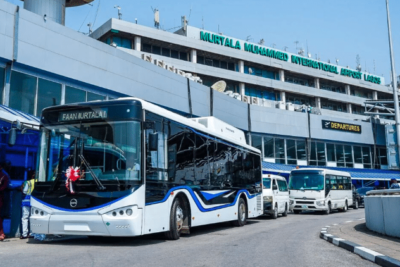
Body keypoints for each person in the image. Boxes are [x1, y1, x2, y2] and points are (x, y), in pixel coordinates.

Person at [20, 172, 36, 239]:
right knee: (33, 217)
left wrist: (21, 188)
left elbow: (24, 191)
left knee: (25, 218)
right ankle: (32, 233)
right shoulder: (38, 181)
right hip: (35, 201)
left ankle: (24, 234)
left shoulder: (28, 182)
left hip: (26, 201)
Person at [0, 162, 10, 241]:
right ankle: (1, 233)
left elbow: (4, 187)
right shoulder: (5, 176)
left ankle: (1, 233)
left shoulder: (4, 176)